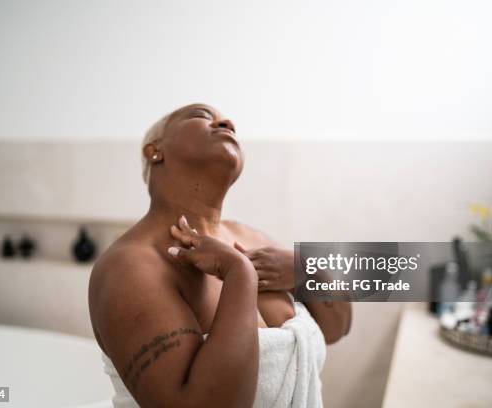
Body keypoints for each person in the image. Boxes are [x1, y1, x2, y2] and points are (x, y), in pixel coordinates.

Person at [88, 103, 352, 407]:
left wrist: (306, 268)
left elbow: (337, 328)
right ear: (154, 150)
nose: (227, 122)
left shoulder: (252, 237)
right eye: (202, 115)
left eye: (229, 122)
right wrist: (240, 275)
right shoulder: (131, 267)